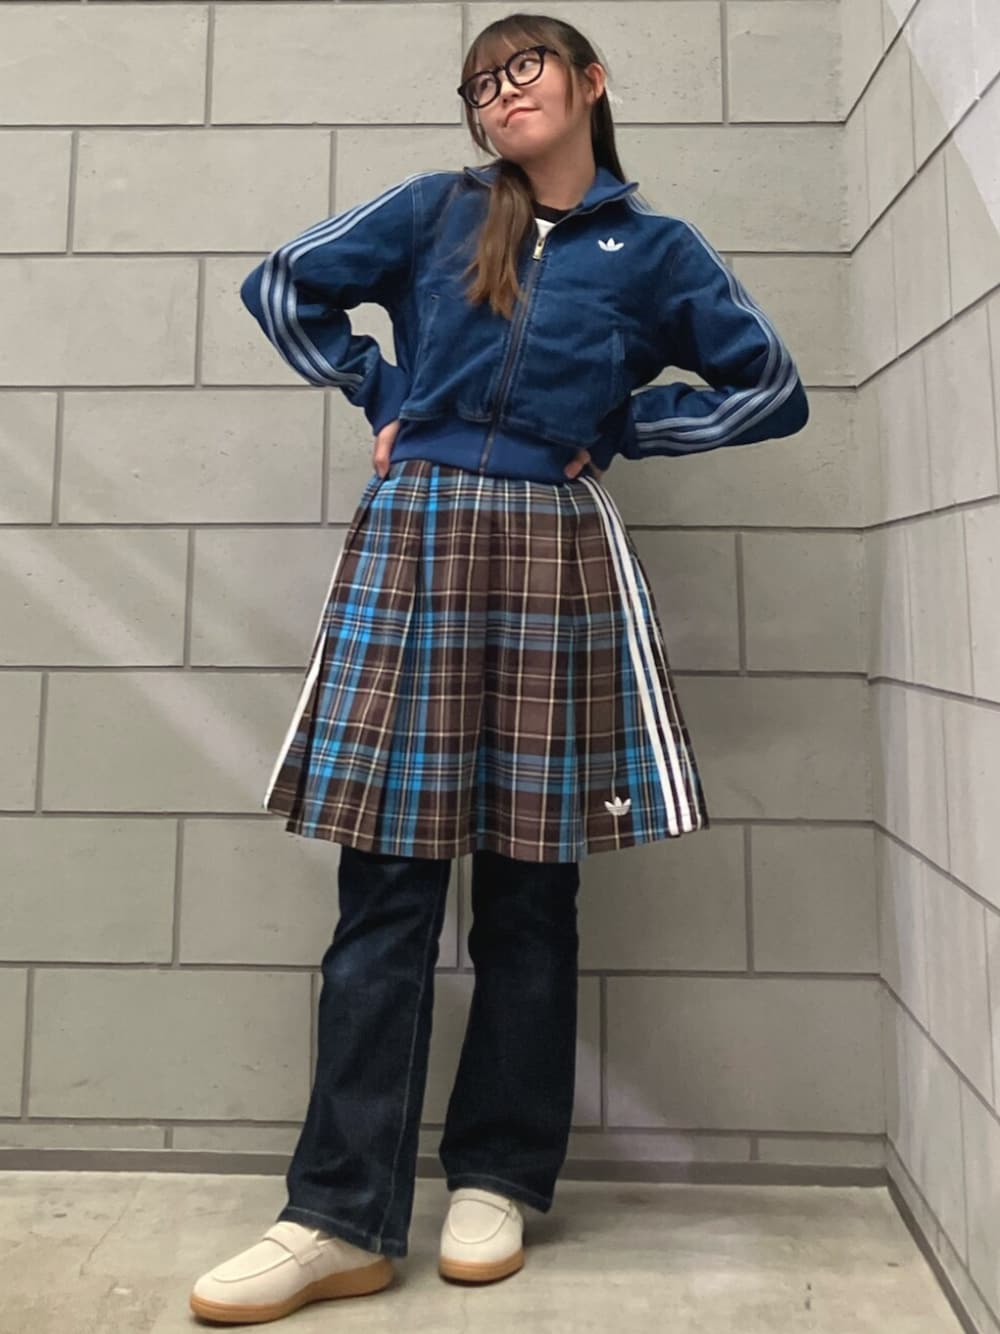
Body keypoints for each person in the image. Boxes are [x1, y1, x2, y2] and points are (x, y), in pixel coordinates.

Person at [189, 10, 809, 1325]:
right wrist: (380, 391)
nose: (499, 95)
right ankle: (337, 1214)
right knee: (386, 886)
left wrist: (623, 423)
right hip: (416, 537)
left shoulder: (658, 250)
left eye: (523, 69)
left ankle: (500, 1178)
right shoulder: (438, 209)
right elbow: (282, 283)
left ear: (590, 83)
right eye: (479, 83)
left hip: (554, 552)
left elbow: (772, 387)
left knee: (533, 890)